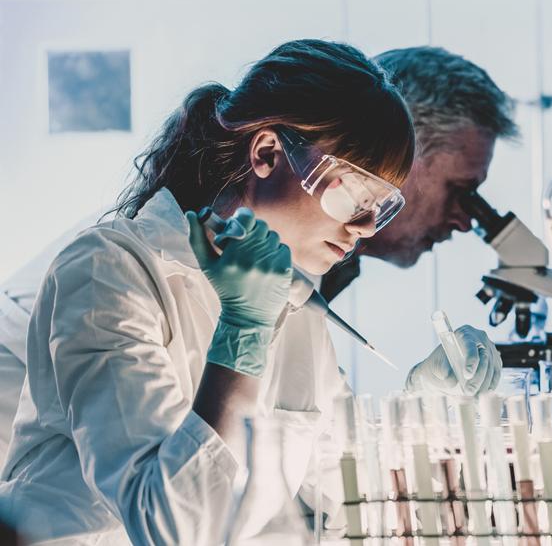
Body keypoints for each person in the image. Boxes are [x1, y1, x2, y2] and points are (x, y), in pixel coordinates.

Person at [0, 39, 501, 545]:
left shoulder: (292, 298)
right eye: (355, 193)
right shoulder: (110, 270)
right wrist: (242, 337)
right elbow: (170, 528)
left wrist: (421, 412)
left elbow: (352, 488)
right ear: (266, 153)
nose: (366, 228)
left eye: (383, 206)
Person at [320, 46, 518, 296]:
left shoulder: (334, 267)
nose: (464, 223)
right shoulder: (276, 261)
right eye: (459, 190)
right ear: (395, 152)